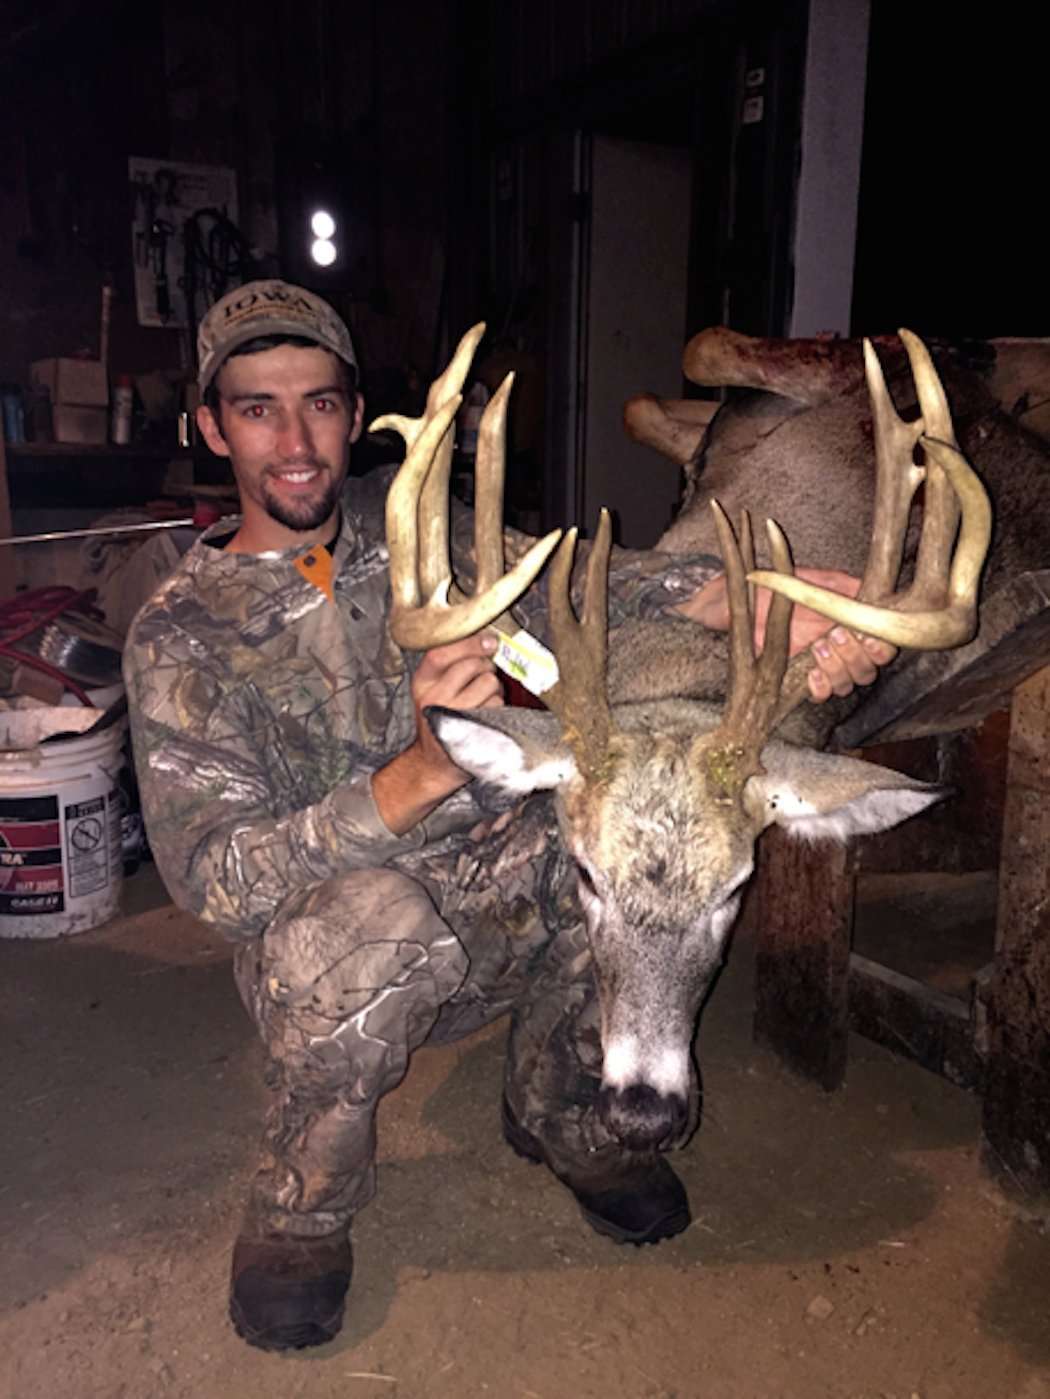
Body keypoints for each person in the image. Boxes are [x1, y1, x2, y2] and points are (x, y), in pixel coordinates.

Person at [123, 280, 893, 1353]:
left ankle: (564, 1110)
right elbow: (216, 883)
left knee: (630, 836)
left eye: (321, 404)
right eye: (258, 408)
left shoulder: (427, 539)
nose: (296, 440)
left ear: (355, 411)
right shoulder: (180, 635)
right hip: (339, 947)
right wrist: (418, 775)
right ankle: (302, 1207)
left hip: (493, 876)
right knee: (372, 924)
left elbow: (599, 589)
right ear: (211, 425)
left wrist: (777, 598)